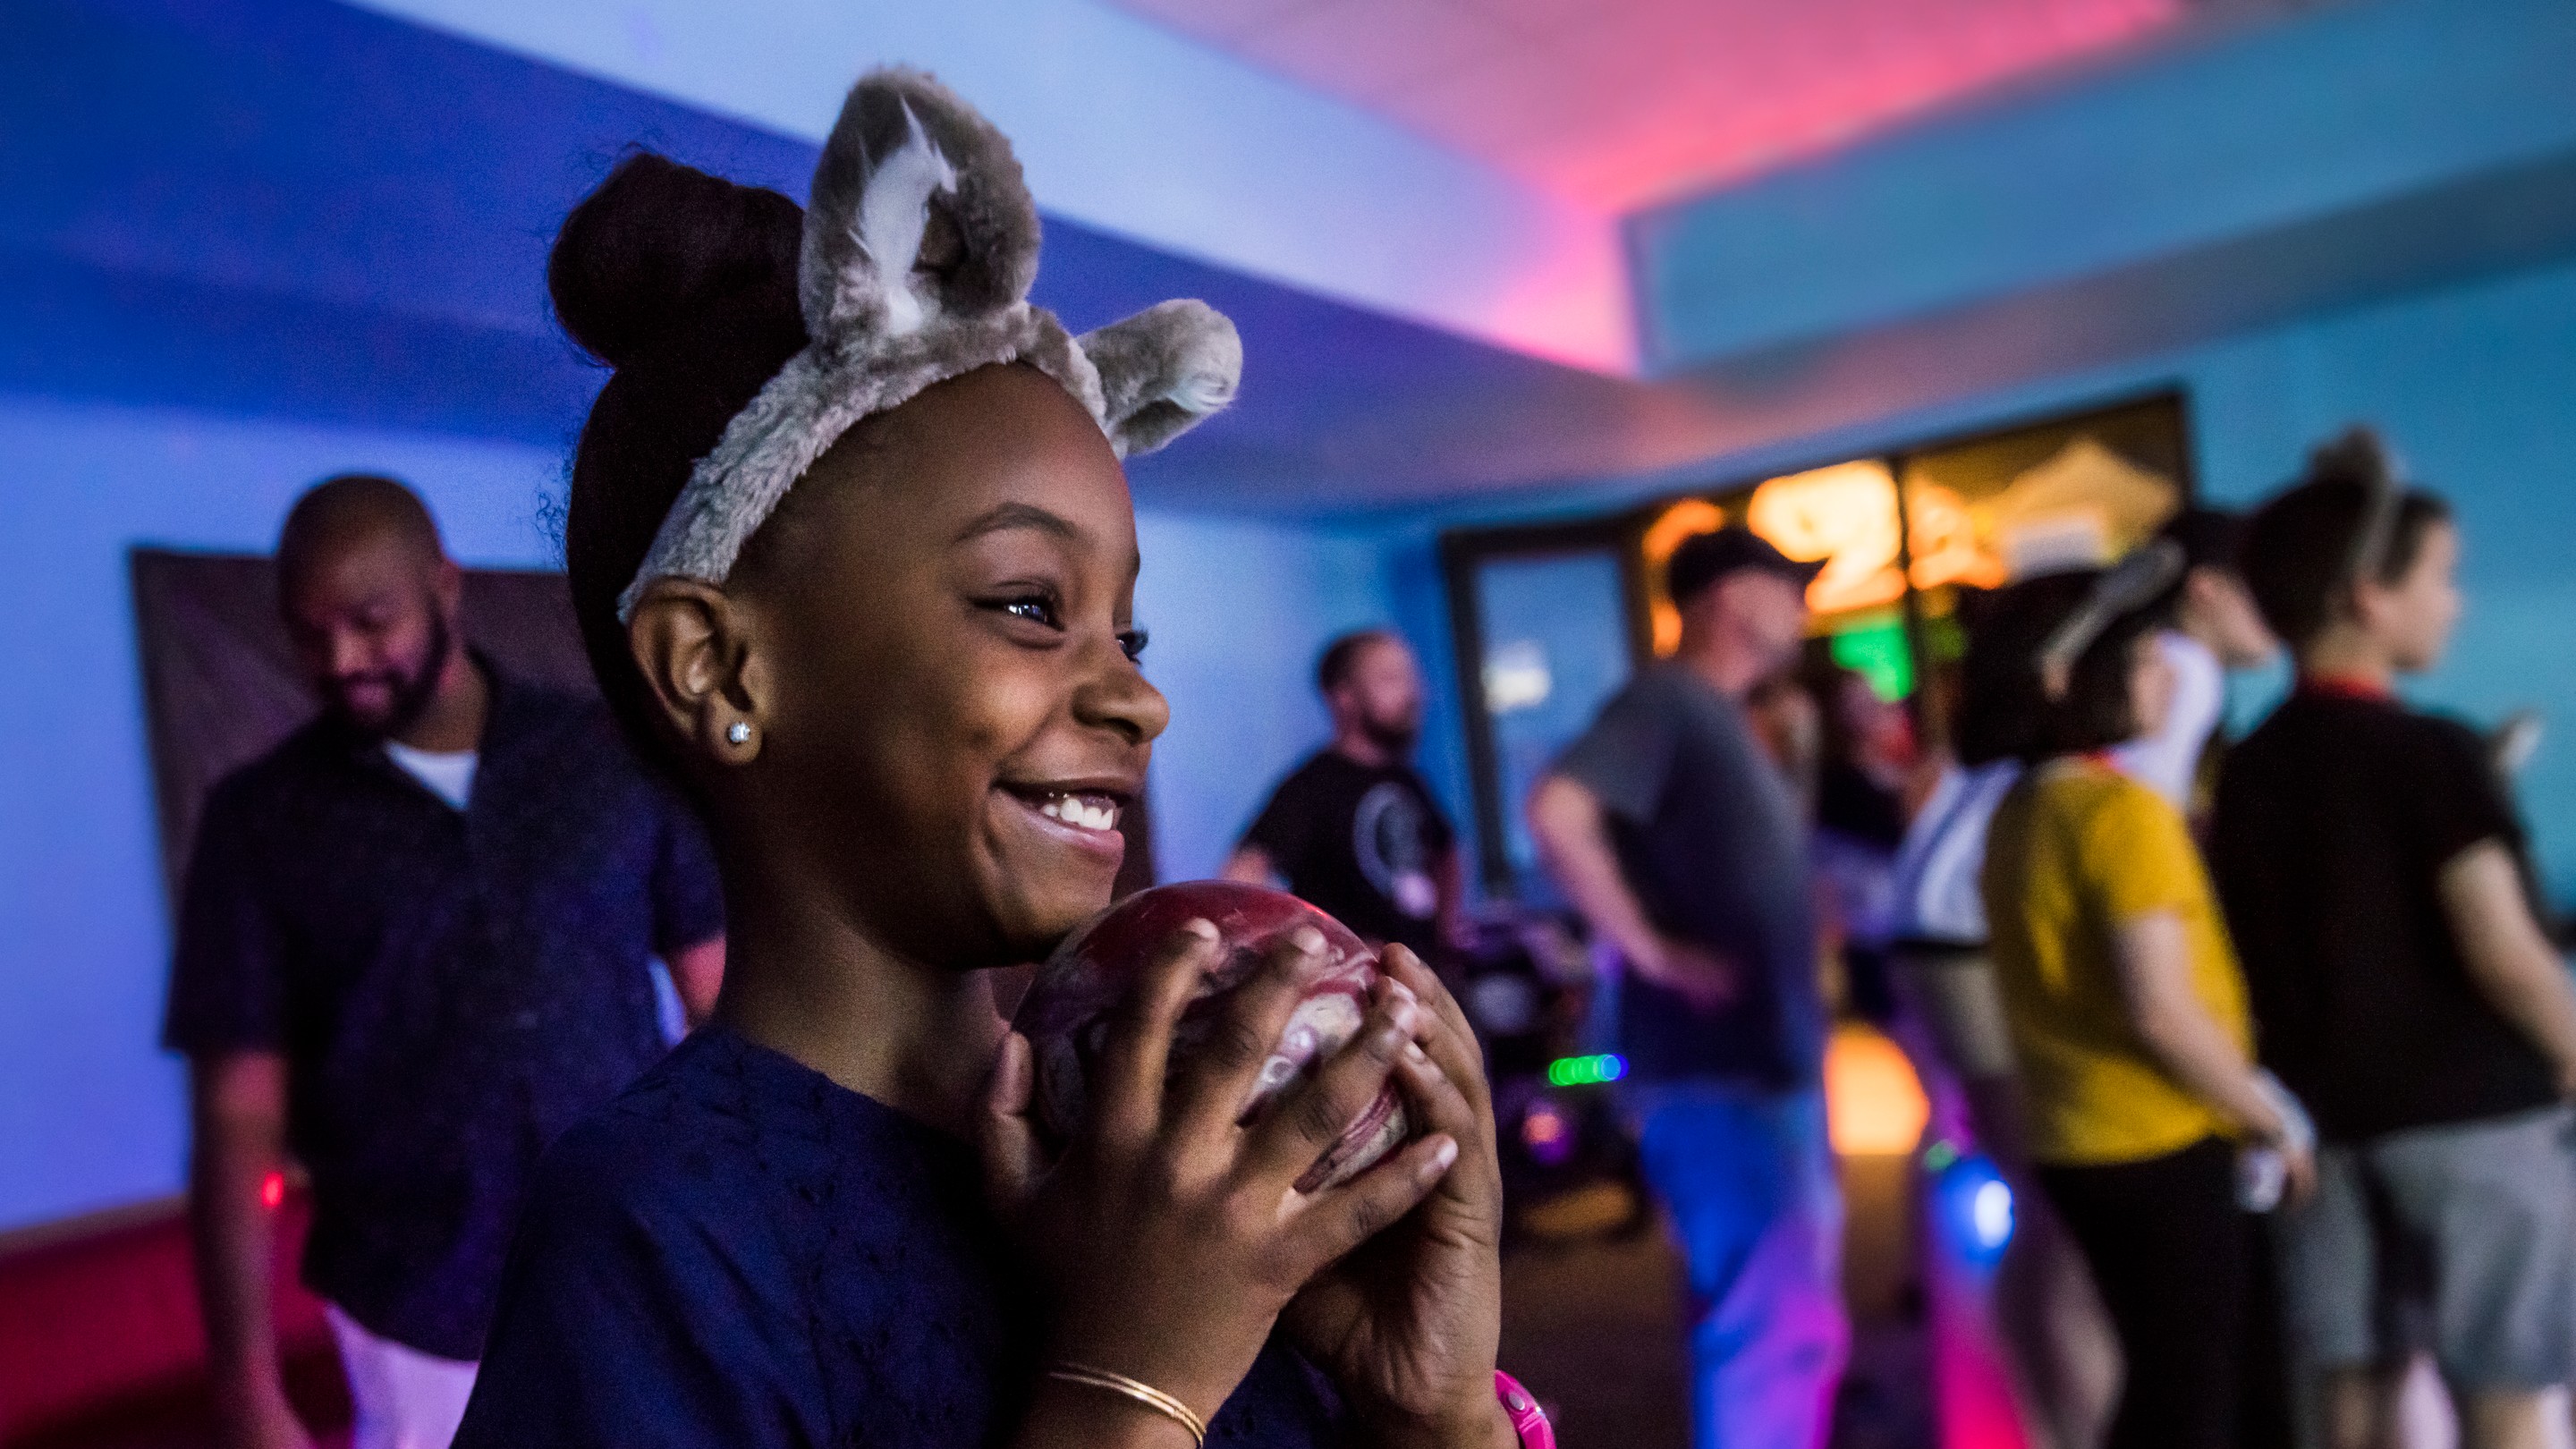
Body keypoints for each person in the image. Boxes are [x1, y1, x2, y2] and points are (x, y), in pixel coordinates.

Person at [453, 71, 1526, 1449]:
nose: (1139, 698)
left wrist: (1434, 1419)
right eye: (1030, 605)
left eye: (1126, 629)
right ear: (718, 668)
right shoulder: (659, 1227)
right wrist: (1127, 1383)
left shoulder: (1171, 1137)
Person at [163, 475, 726, 1449]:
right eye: (308, 633)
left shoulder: (610, 755)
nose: (340, 660)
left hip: (632, 1273)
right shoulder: (259, 824)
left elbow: (722, 1007)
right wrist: (247, 1386)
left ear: (445, 588)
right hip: (414, 1311)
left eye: (370, 621)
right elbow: (236, 1113)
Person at [2213, 430, 2576, 1449]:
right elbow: (2502, 947)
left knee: (2355, 1393)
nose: (2453, 603)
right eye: (2441, 578)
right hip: (2472, 1122)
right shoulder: (2431, 752)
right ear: (2368, 596)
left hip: (2322, 1127)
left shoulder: (2246, 772)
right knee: (2505, 1390)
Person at [1969, 544, 2314, 1449]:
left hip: (2077, 1141)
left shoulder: (2022, 809)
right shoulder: (2119, 814)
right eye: (2144, 654)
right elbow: (2159, 1010)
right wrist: (2269, 1116)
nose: (2166, 671)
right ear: (2074, 676)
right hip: (2159, 1137)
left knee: (2169, 1377)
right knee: (2192, 1395)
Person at [1527, 526, 1846, 1449]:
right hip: (1722, 1081)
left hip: (1751, 1070)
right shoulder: (1667, 700)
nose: (1803, 607)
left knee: (1783, 1322)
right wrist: (1657, 954)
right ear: (1731, 598)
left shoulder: (1724, 718)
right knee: (1765, 1329)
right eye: (1789, 588)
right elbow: (1557, 809)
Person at [1224, 631, 1465, 959]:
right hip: (1360, 996)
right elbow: (1243, 875)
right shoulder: (1313, 785)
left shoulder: (1408, 780)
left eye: (1410, 677)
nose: (1412, 694)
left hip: (1423, 978)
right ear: (1344, 696)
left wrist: (1445, 936)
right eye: (1390, 679)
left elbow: (1447, 851)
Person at [2111, 506, 2281, 818]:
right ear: (2206, 588)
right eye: (2259, 590)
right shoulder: (2187, 669)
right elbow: (2149, 797)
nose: (2275, 608)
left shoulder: (2155, 655)